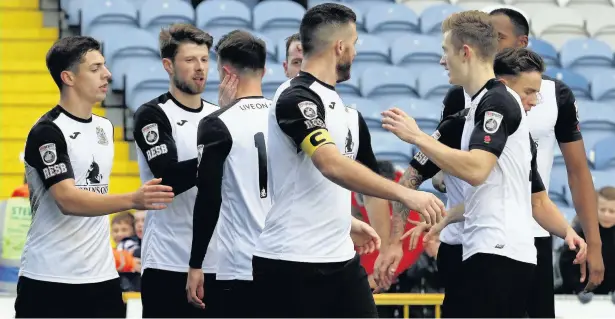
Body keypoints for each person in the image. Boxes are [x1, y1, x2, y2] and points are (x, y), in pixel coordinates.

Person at [251, 3, 445, 318]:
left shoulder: (344, 110)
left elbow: (360, 186)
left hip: (340, 260)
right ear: (340, 46)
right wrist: (405, 192)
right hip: (291, 262)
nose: (355, 52)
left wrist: (377, 239)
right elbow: (330, 164)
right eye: (353, 43)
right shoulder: (296, 98)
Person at [381, 11, 540, 317]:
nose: (443, 61)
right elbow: (493, 189)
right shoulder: (472, 110)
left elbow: (477, 171)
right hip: (483, 250)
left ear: (465, 52)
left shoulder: (498, 101)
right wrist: (445, 215)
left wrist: (417, 137)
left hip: (500, 251)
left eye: (446, 51)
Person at [14, 35, 174, 318]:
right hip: (49, 278)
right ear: (68, 77)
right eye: (95, 68)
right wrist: (133, 199)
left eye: (105, 66)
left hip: (102, 278)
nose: (107, 74)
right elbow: (67, 200)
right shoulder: (47, 131)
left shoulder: (104, 127)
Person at [489, 8, 604, 316]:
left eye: (497, 36)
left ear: (522, 42)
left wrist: (594, 243)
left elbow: (578, 172)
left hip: (533, 233)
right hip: (479, 237)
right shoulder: (466, 92)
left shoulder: (554, 94)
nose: (489, 43)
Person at [132, 24, 219, 318]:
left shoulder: (217, 116)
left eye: (205, 60)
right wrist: (215, 156)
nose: (200, 68)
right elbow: (168, 178)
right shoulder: (152, 114)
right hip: (167, 260)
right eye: (190, 60)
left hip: (215, 260)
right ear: (168, 65)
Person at [186, 30, 271, 318]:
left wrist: (196, 263)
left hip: (240, 267)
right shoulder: (285, 117)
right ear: (264, 70)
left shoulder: (216, 124)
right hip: (287, 263)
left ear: (225, 72)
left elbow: (209, 197)